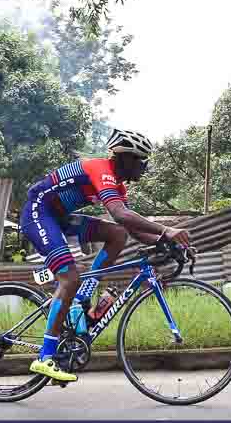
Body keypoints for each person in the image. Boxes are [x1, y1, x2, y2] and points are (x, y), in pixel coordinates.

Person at [19, 128, 191, 383]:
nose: (144, 167)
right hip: (39, 213)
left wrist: (169, 243)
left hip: (60, 218)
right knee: (69, 279)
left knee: (118, 235)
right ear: (126, 158)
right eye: (141, 160)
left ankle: (82, 297)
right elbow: (120, 214)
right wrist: (166, 229)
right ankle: (45, 357)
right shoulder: (100, 169)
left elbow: (132, 229)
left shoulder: (117, 186)